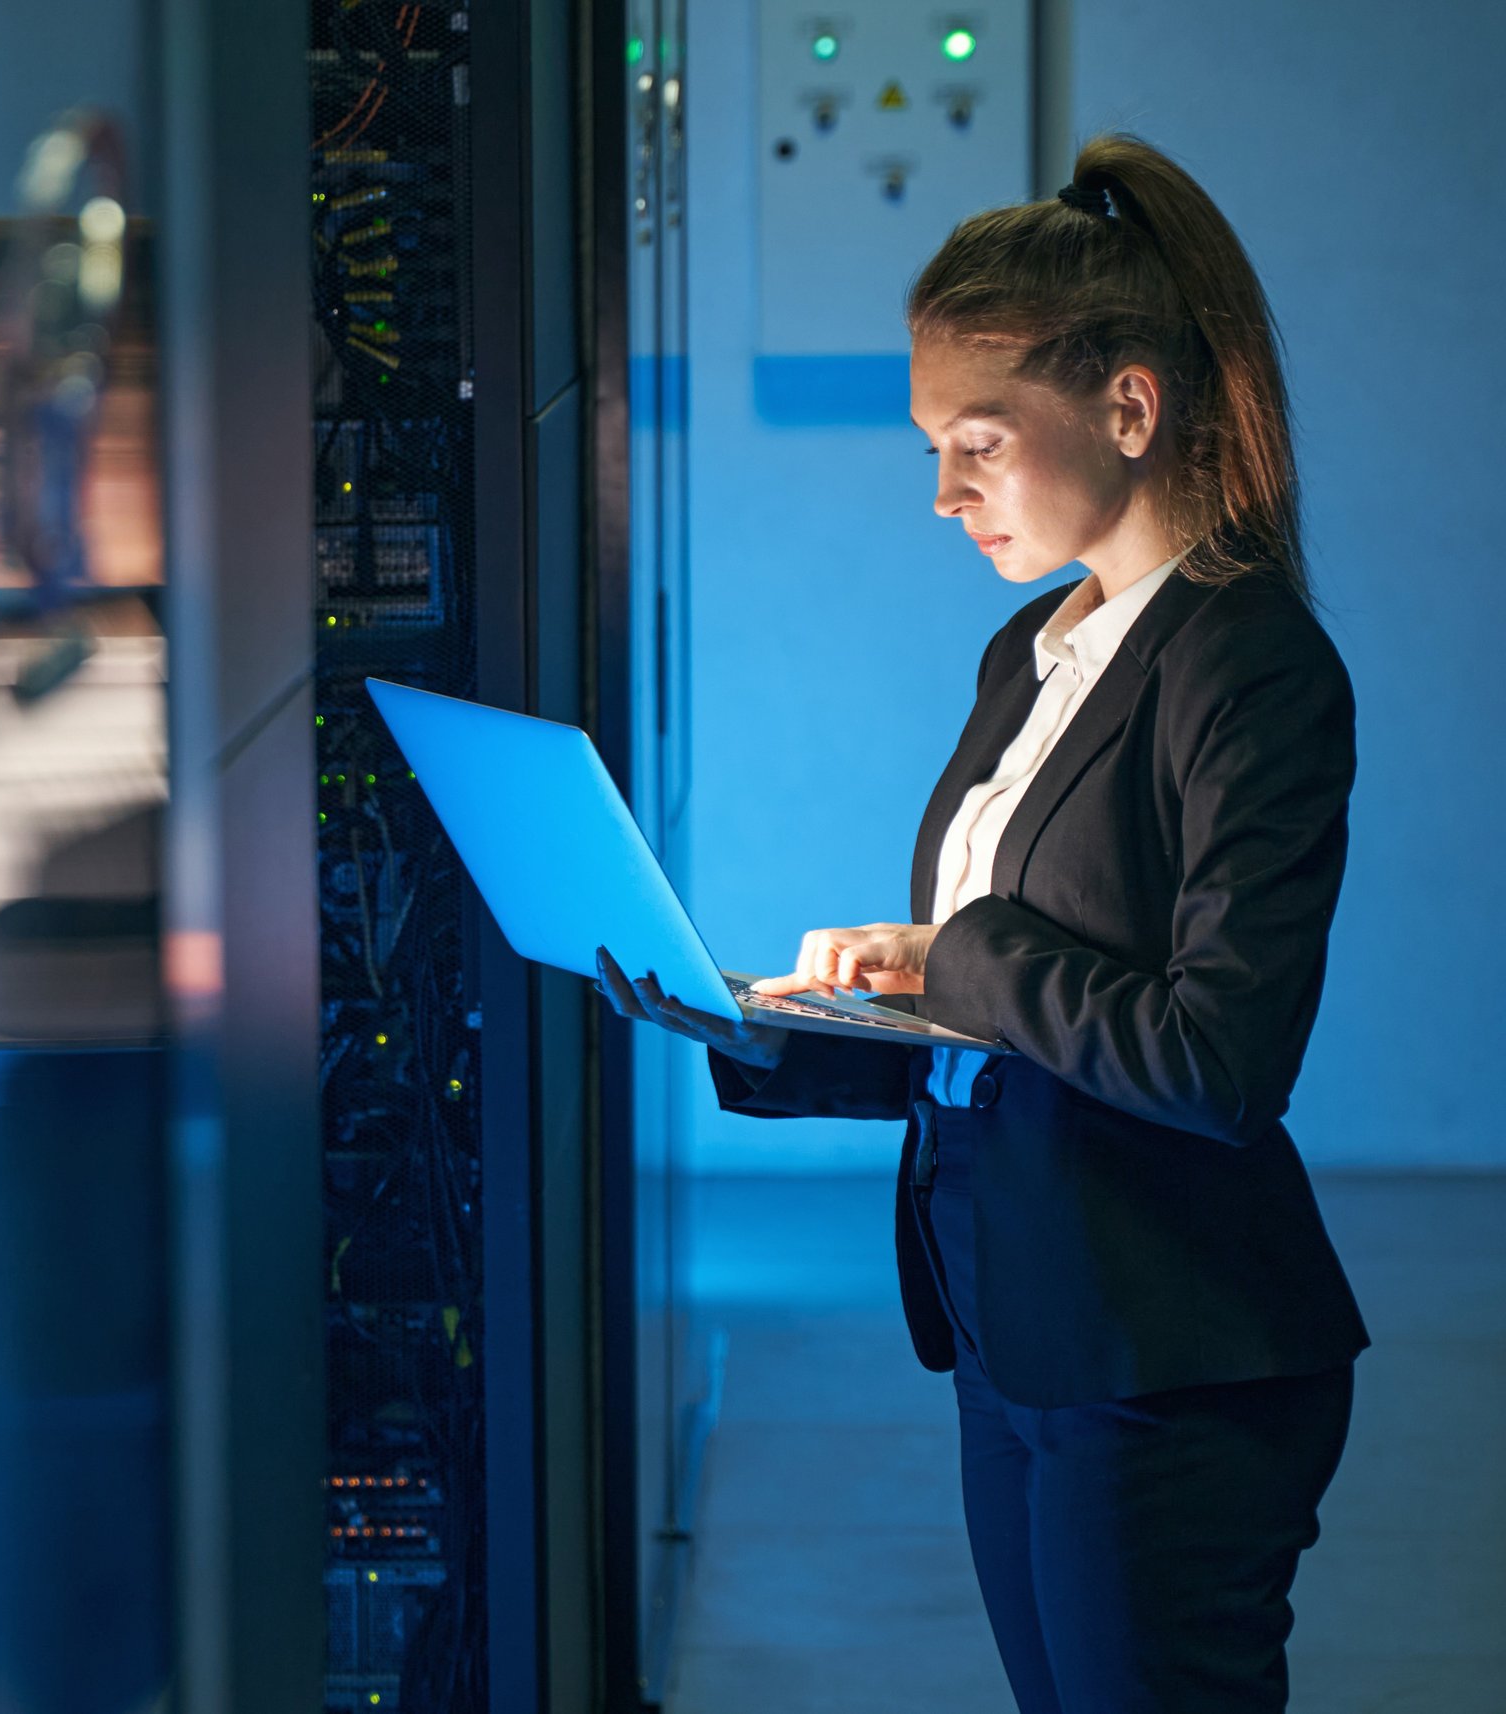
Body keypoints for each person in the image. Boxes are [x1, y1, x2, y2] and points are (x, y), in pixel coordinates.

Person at [595, 132, 1366, 1713]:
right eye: (932, 446)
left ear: (1131, 408)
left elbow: (1218, 1057)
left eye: (980, 442)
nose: (943, 492)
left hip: (1171, 1356)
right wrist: (768, 1023)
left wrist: (956, 952)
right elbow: (1002, 1030)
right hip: (1019, 1320)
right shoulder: (1035, 649)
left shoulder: (1254, 671)